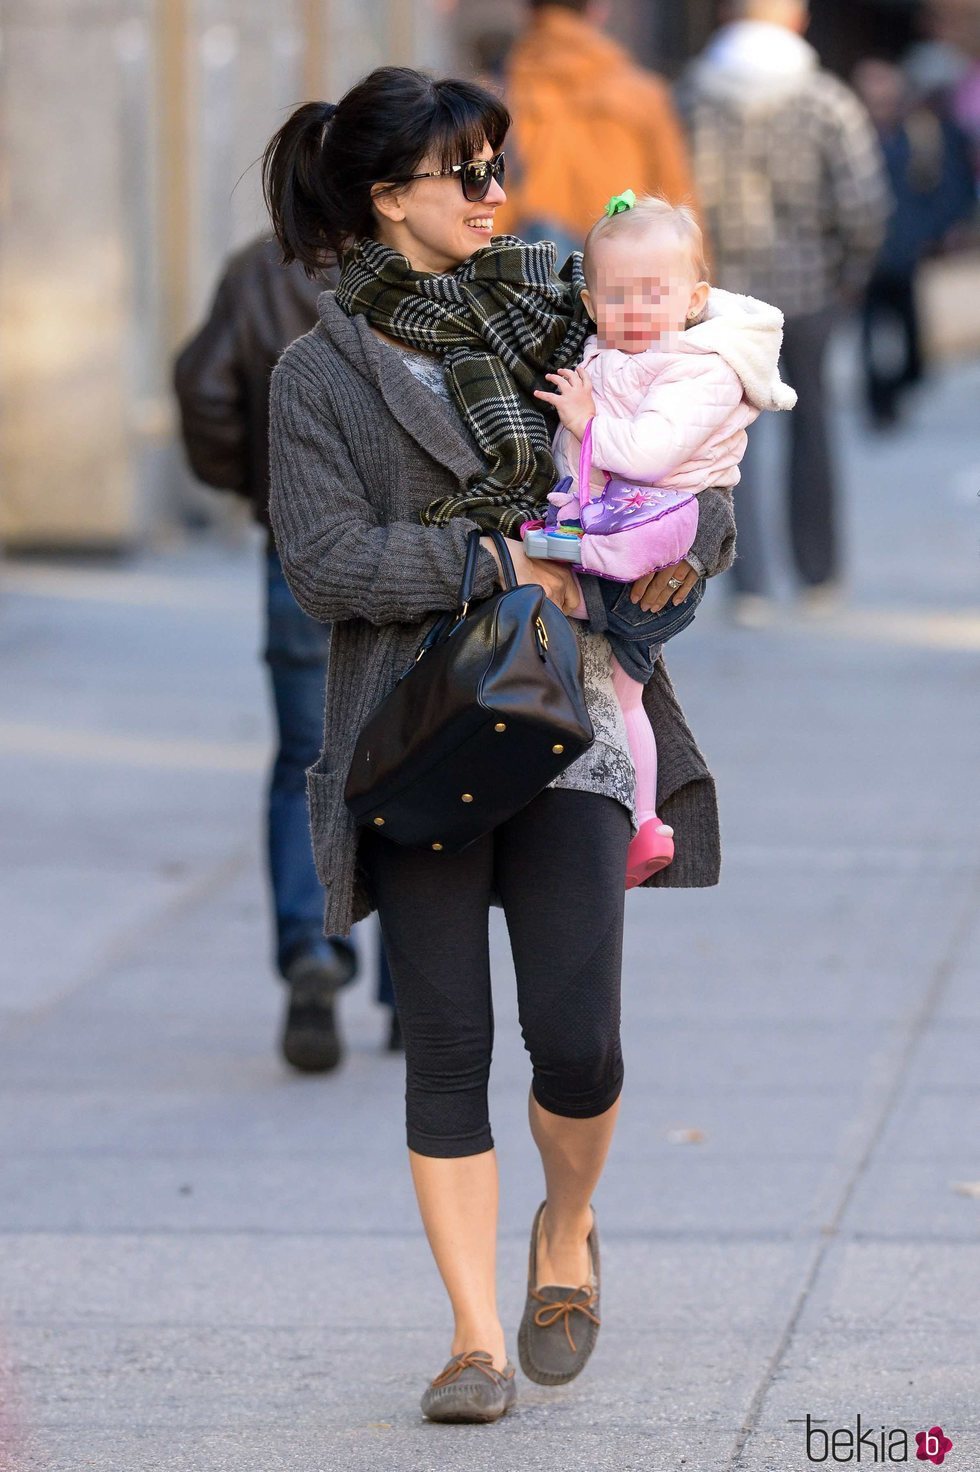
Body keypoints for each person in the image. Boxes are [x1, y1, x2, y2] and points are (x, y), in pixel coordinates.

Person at [262, 66, 736, 1423]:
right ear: (382, 197)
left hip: (572, 709)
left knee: (577, 1042)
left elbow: (684, 474)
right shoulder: (321, 370)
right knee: (451, 1040)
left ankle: (565, 1231)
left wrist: (676, 562)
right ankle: (474, 1339)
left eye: (495, 165)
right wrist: (488, 554)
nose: (493, 193)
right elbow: (324, 559)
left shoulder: (562, 318)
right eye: (464, 173)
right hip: (416, 730)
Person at [173, 238, 401, 1072]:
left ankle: (311, 951)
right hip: (413, 544)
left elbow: (203, 391)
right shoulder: (425, 264)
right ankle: (409, 981)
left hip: (297, 546)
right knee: (417, 751)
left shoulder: (258, 269)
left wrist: (262, 492)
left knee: (308, 758)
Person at [530, 192, 795, 887]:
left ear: (694, 297)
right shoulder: (605, 354)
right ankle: (636, 824)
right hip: (622, 524)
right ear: (591, 305)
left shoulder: (699, 368)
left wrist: (586, 422)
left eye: (655, 293)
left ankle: (643, 820)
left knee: (618, 688)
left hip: (665, 536)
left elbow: (647, 454)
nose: (637, 310)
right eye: (618, 296)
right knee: (615, 692)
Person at [676, 0, 890, 618]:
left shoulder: (692, 95)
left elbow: (668, 189)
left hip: (719, 295)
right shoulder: (826, 99)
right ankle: (818, 573)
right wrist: (848, 274)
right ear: (793, 19)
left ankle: (748, 583)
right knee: (814, 425)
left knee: (728, 438)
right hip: (809, 289)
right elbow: (864, 202)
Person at [493, 0, 698, 257]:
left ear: (528, 9)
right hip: (629, 272)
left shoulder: (498, 97)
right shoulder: (643, 94)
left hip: (535, 278)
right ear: (598, 8)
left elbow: (488, 210)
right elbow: (677, 204)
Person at [852, 59, 975, 427]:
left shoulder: (921, 134)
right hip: (866, 255)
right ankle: (879, 404)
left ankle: (901, 386)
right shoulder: (851, 135)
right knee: (871, 338)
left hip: (909, 252)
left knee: (915, 342)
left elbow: (945, 184)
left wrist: (940, 230)